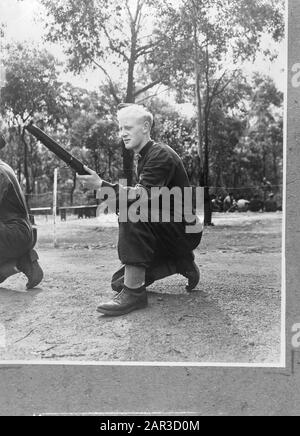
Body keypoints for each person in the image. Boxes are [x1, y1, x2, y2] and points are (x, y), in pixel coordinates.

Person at [78, 104, 203, 317]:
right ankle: (180, 261)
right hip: (169, 229)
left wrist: (101, 185)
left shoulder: (160, 154)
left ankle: (135, 294)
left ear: (145, 127)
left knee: (131, 210)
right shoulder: (145, 157)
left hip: (184, 230)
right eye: (120, 128)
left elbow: (141, 196)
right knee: (118, 282)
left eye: (128, 127)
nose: (122, 133)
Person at [0, 134, 43, 289]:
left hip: (14, 233)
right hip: (20, 233)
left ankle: (22, 259)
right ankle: (23, 262)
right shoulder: (4, 166)